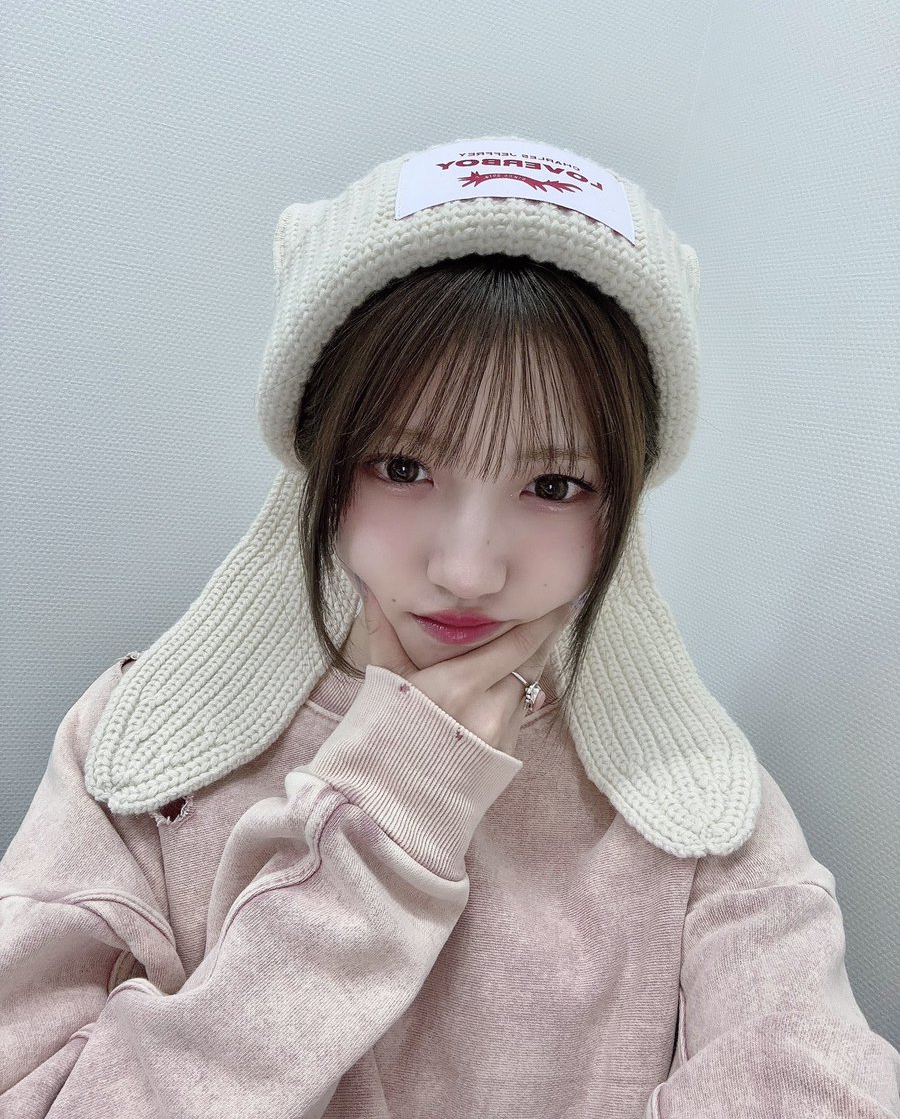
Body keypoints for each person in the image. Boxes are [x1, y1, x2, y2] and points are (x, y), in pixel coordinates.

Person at [1, 136, 897, 1118]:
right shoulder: (145, 757)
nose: (469, 569)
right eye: (403, 467)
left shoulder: (697, 806)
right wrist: (386, 810)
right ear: (319, 457)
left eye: (553, 485)